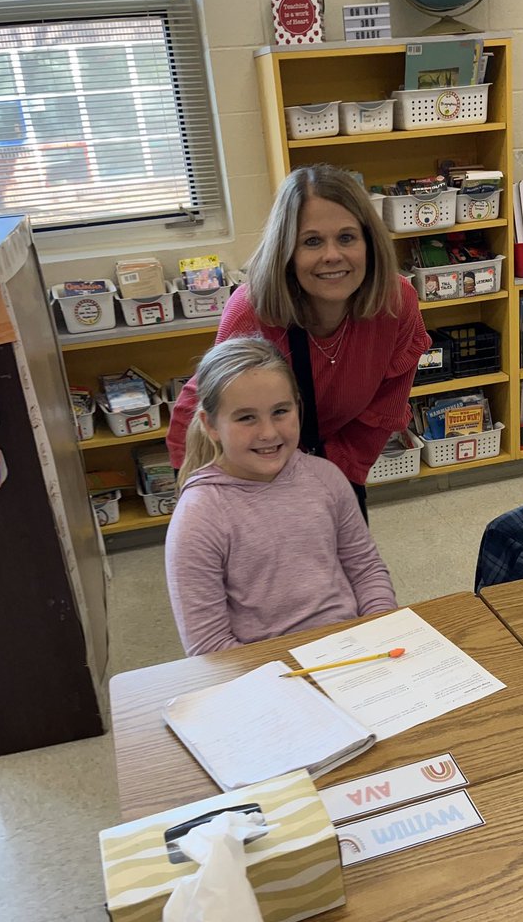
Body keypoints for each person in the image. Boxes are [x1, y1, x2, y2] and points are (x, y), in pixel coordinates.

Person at [167, 164, 430, 519]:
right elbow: (201, 416)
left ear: (370, 244)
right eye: (311, 241)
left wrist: (326, 481)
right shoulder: (251, 311)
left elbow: (383, 411)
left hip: (335, 466)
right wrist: (204, 504)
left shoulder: (397, 303)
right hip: (249, 475)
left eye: (348, 237)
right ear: (286, 252)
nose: (332, 255)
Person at [165, 337, 397, 656]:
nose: (269, 433)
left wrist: (379, 628)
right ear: (210, 425)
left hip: (354, 651)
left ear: (297, 408)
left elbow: (365, 568)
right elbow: (209, 646)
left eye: (280, 411)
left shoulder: (326, 477)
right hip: (264, 678)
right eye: (246, 417)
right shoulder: (198, 517)